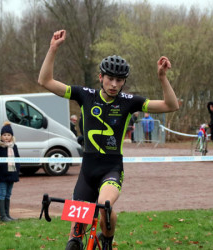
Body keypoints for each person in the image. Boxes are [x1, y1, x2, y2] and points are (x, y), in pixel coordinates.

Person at [38, 30, 179, 250]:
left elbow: (171, 106)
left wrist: (162, 77)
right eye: (110, 78)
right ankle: (79, 235)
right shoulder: (85, 95)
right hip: (87, 170)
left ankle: (107, 240)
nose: (114, 84)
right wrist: (53, 48)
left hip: (112, 168)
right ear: (101, 77)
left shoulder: (129, 101)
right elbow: (44, 81)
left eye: (119, 80)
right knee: (74, 241)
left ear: (124, 82)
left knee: (105, 208)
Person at [0, 121, 21, 222]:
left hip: (12, 174)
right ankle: (2, 216)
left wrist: (17, 171)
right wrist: (3, 165)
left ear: (12, 136)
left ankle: (7, 214)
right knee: (2, 193)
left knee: (8, 194)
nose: (6, 137)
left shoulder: (14, 147)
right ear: (1, 136)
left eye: (8, 135)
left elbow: (18, 159)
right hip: (3, 174)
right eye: (4, 135)